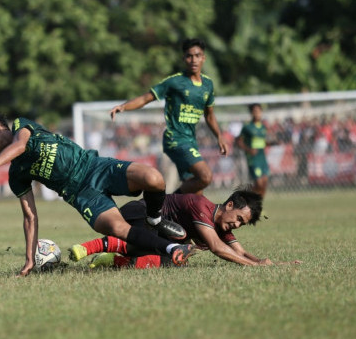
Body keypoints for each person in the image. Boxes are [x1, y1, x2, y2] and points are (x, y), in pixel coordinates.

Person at [0, 111, 198, 277]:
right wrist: (29, 260)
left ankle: (155, 219)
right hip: (80, 193)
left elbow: (21, 146)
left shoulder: (21, 126)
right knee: (116, 228)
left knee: (154, 179)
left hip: (95, 166)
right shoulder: (16, 174)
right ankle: (173, 249)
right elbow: (30, 217)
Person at [72, 187, 301, 269]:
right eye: (239, 218)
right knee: (180, 239)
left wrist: (268, 263)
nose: (237, 225)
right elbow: (217, 248)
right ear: (229, 204)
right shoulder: (201, 206)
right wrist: (253, 267)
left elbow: (238, 252)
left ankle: (113, 260)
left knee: (178, 258)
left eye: (242, 223)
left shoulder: (221, 224)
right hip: (136, 216)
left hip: (151, 234)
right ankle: (94, 246)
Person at [110, 38, 228, 195]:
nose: (193, 60)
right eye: (189, 56)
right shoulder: (175, 82)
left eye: (197, 55)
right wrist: (124, 106)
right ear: (184, 58)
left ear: (203, 58)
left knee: (195, 192)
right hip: (175, 139)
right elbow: (146, 98)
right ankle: (168, 203)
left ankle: (172, 212)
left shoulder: (208, 84)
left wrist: (219, 136)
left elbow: (210, 115)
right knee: (205, 176)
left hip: (190, 140)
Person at [236, 103, 272, 198]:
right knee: (259, 183)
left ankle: (258, 206)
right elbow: (238, 142)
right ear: (251, 113)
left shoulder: (263, 127)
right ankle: (245, 196)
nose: (257, 114)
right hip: (253, 158)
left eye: (259, 111)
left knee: (264, 184)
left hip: (262, 157)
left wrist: (271, 143)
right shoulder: (247, 127)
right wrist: (248, 149)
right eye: (255, 112)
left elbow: (263, 142)